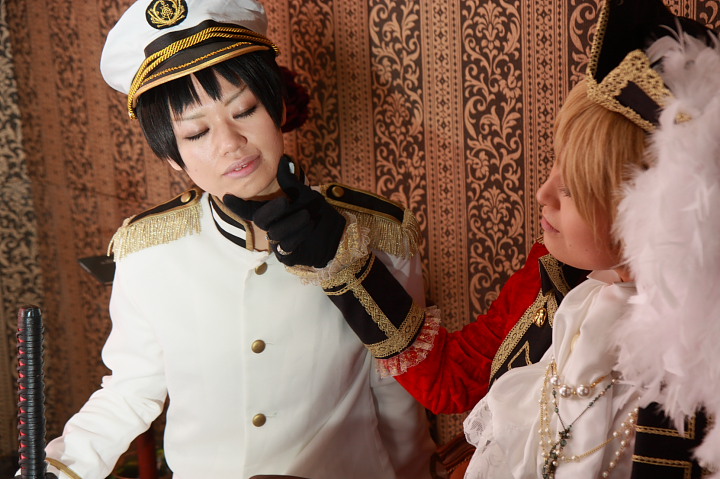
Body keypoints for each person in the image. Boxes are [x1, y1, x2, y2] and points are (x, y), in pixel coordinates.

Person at [23, 1, 436, 478]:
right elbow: (129, 392)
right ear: (172, 156)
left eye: (244, 110)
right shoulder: (148, 253)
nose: (229, 142)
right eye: (196, 132)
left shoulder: (375, 233)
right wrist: (59, 469)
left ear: (277, 108)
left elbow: (398, 387)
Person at [305, 0, 717, 477]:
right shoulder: (556, 271)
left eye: (572, 188)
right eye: (554, 164)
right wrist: (342, 260)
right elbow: (454, 377)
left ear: (654, 212)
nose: (542, 194)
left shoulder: (698, 359)